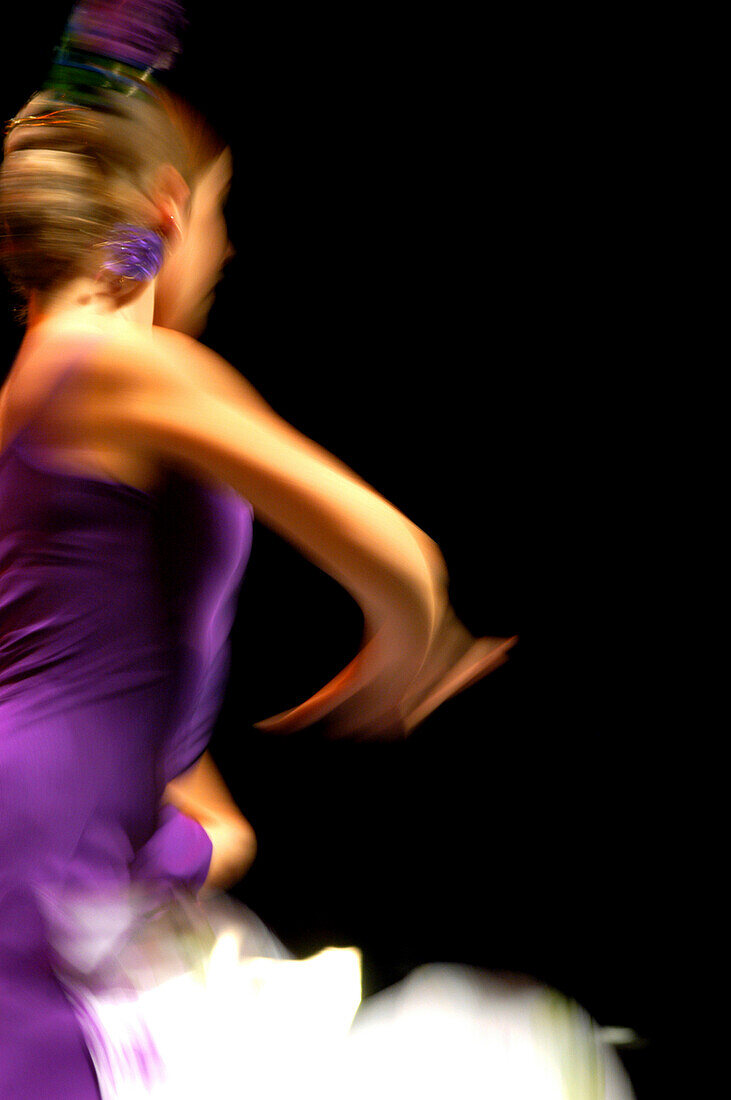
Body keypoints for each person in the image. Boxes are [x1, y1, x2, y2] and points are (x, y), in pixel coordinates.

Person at [0, 5, 515, 1096]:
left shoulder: (40, 393)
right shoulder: (108, 362)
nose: (228, 250)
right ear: (163, 210)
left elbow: (89, 658)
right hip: (40, 868)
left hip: (69, 854)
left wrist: (193, 822)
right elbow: (395, 552)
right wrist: (411, 643)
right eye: (221, 214)